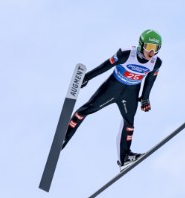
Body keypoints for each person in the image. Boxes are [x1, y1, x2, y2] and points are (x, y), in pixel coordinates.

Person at [62, 29, 163, 168]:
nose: (152, 53)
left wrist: (145, 99)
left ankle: (125, 157)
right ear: (141, 45)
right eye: (149, 48)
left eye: (156, 49)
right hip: (112, 88)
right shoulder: (126, 54)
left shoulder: (155, 63)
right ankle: (63, 138)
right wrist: (87, 77)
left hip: (130, 94)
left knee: (129, 124)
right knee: (86, 110)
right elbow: (106, 65)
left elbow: (150, 81)